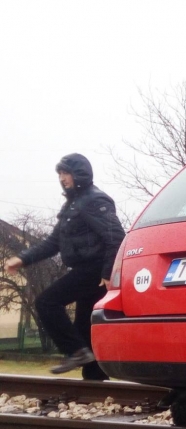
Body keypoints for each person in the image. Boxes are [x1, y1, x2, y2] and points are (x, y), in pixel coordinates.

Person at [3, 154, 125, 378]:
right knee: (84, 328)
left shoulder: (95, 200)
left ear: (79, 174)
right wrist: (22, 258)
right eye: (59, 174)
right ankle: (95, 382)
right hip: (87, 270)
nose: (62, 178)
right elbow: (53, 243)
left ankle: (76, 353)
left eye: (65, 173)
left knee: (47, 302)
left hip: (95, 269)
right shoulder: (73, 204)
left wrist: (108, 272)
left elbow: (115, 237)